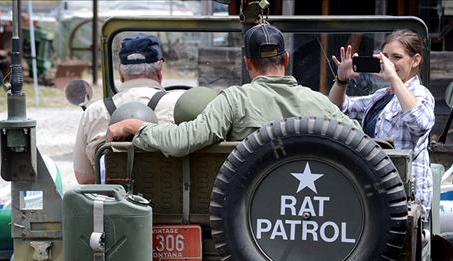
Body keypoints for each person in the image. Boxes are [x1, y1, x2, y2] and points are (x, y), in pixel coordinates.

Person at [106, 23, 358, 160]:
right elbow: (362, 142)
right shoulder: (320, 103)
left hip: (250, 212)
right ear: (287, 58)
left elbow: (182, 142)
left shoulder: (234, 100)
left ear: (247, 63)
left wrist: (135, 127)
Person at [328, 29, 435, 219]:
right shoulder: (381, 96)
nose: (389, 63)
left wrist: (393, 77)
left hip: (406, 198)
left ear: (415, 60)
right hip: (376, 189)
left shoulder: (420, 93)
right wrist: (342, 79)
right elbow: (338, 108)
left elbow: (419, 123)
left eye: (397, 57)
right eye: (385, 57)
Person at [73, 33, 183, 184]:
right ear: (160, 68)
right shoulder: (179, 106)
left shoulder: (93, 112)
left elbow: (84, 177)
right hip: (172, 203)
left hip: (113, 204)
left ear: (120, 72)